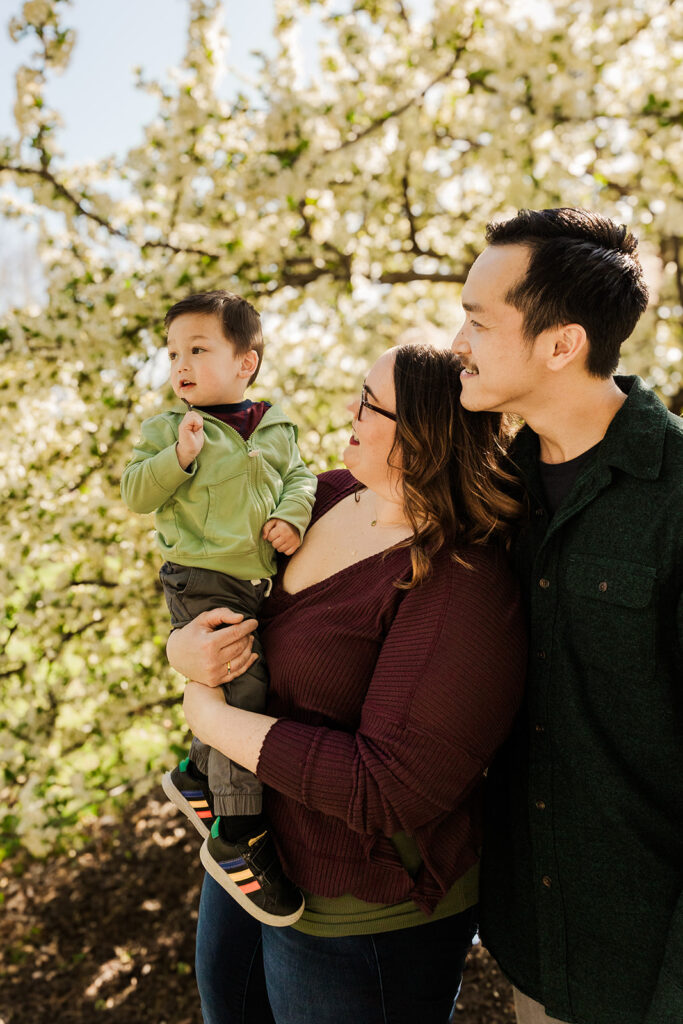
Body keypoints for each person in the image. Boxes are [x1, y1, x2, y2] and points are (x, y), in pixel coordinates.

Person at [166, 342, 527, 1024]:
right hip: (250, 857)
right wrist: (184, 650)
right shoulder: (323, 497)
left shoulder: (460, 584)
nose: (349, 411)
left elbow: (387, 786)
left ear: (423, 433)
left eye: (370, 403)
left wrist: (207, 717)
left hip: (362, 906)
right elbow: (215, 591)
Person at [451, 207, 683, 1024]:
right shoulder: (491, 493)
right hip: (532, 951)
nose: (458, 345)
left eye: (478, 323)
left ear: (560, 344)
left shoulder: (677, 497)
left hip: (648, 970)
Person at [121, 290, 317, 927]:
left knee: (252, 682)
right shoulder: (169, 430)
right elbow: (134, 492)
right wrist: (177, 459)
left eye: (199, 350)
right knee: (242, 690)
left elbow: (301, 478)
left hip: (256, 582)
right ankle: (239, 835)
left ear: (246, 363)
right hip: (201, 580)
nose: (181, 364)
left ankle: (197, 776)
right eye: (174, 352)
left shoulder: (276, 426)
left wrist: (290, 516)